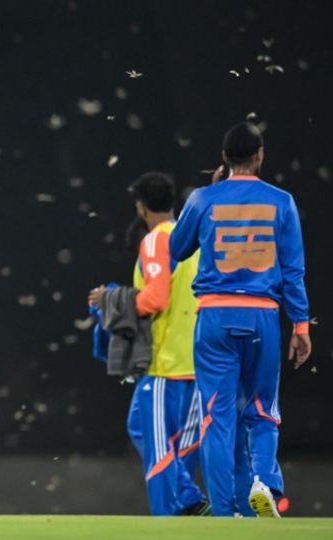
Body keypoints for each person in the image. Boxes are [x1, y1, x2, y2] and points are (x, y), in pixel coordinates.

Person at [169, 121, 312, 517]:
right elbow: (293, 269)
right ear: (260, 155)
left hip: (214, 315)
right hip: (263, 315)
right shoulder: (281, 201)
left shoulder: (202, 199)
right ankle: (264, 484)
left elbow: (178, 249)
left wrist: (210, 194)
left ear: (223, 158)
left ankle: (224, 507)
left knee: (216, 414)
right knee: (263, 409)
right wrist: (300, 325)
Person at [89, 172, 207, 516]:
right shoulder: (194, 238)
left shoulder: (157, 240)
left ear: (141, 207)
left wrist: (112, 299)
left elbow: (155, 299)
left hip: (165, 364)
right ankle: (191, 503)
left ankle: (178, 510)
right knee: (171, 445)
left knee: (156, 449)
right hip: (200, 363)